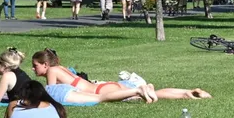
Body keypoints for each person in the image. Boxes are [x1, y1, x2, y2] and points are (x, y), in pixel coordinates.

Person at [30, 49, 210, 102]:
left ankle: (143, 89)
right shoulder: (62, 68)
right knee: (154, 94)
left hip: (101, 90)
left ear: (45, 64)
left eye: (35, 66)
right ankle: (187, 92)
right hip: (108, 85)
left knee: (139, 94)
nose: (33, 70)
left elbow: (51, 93)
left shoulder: (53, 71)